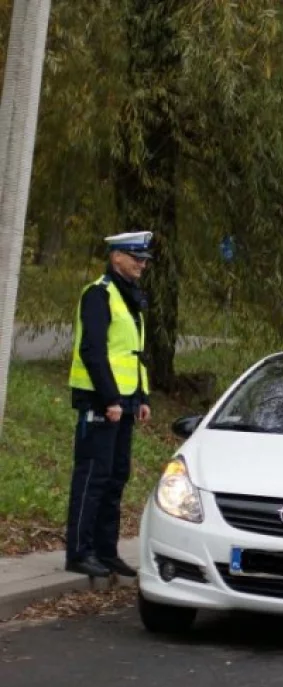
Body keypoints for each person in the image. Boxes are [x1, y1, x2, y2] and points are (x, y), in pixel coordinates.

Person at [63, 231, 154, 578]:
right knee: (92, 477)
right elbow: (93, 351)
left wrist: (140, 398)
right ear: (116, 257)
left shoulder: (128, 297)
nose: (142, 264)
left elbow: (134, 355)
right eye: (136, 257)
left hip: (125, 401)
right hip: (101, 400)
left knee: (116, 476)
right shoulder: (98, 294)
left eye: (144, 259)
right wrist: (110, 399)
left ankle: (106, 550)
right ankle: (79, 552)